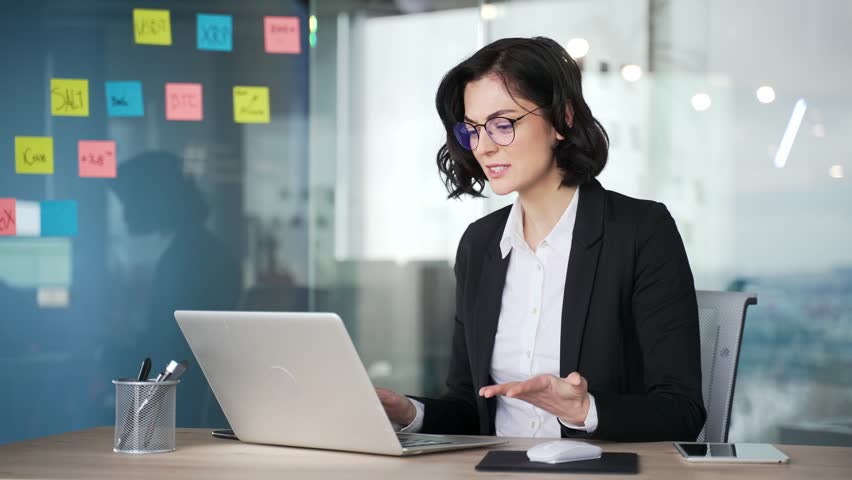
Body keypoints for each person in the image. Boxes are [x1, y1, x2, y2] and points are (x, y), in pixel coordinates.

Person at [375, 37, 706, 442]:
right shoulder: (479, 245)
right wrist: (409, 412)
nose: (485, 146)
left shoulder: (640, 231)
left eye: (503, 124)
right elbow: (470, 406)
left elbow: (682, 410)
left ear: (562, 120)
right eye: (473, 129)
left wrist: (586, 410)